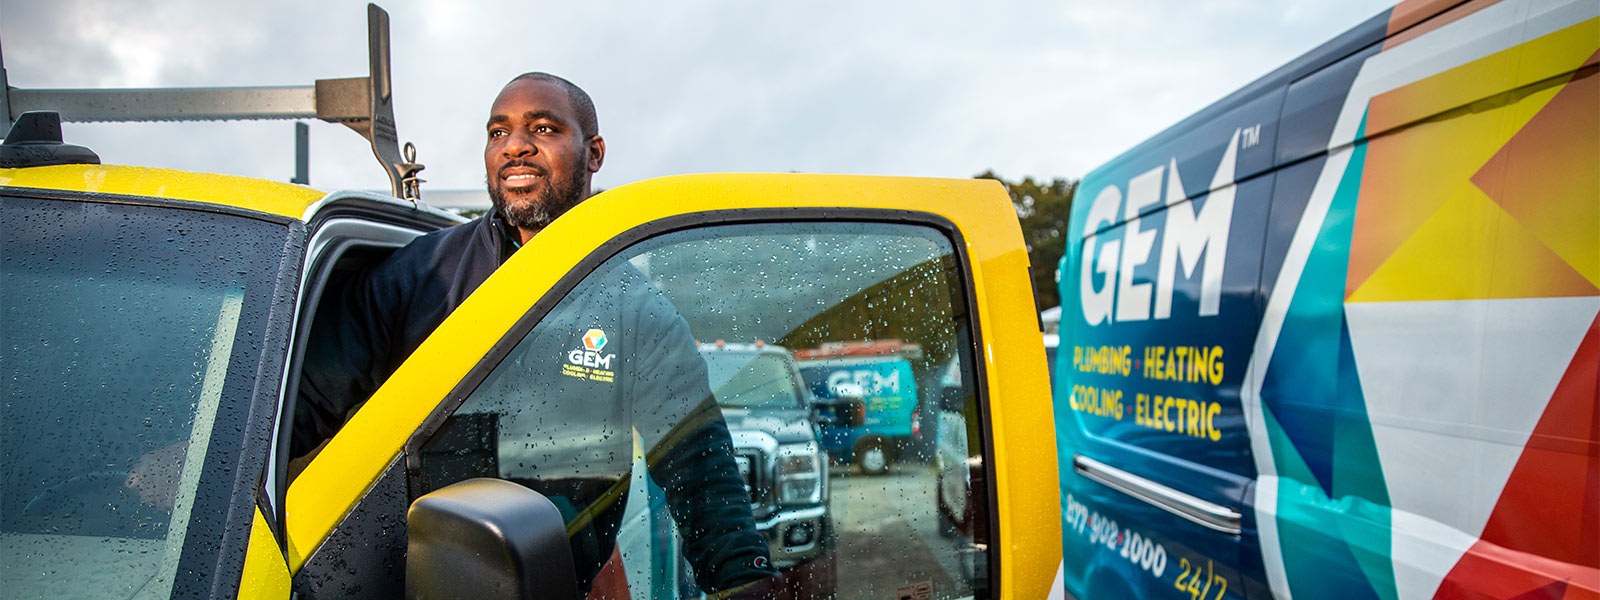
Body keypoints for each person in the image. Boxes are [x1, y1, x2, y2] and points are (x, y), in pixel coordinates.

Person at [292, 73, 777, 595]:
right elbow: (298, 412)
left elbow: (698, 464)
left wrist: (742, 582)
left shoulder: (634, 310)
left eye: (542, 128)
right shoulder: (418, 278)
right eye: (498, 133)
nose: (516, 146)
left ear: (594, 153)